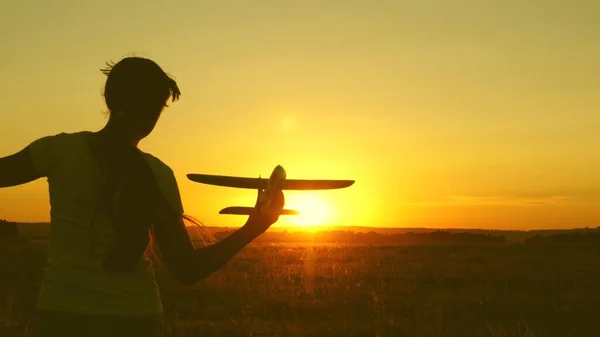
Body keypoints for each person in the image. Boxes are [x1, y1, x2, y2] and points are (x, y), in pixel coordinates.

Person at [0, 56, 285, 337]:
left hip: (61, 316)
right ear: (154, 113)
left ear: (109, 100)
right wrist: (254, 227)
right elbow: (187, 269)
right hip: (135, 319)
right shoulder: (158, 174)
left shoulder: (57, 150)